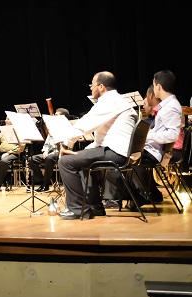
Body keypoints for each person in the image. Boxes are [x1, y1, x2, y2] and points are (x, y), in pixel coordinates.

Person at [57, 71, 138, 220]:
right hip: (119, 151)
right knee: (80, 160)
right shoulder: (119, 100)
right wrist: (82, 152)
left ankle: (77, 209)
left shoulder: (109, 101)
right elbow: (104, 137)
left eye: (92, 85)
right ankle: (95, 207)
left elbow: (84, 125)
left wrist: (66, 145)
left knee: (65, 162)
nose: (90, 89)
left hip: (116, 152)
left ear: (101, 87)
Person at [127, 70, 182, 209]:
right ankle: (142, 195)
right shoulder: (167, 105)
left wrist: (146, 136)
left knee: (122, 156)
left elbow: (172, 135)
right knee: (125, 154)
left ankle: (140, 196)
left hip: (157, 153)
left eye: (153, 84)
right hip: (154, 149)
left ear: (158, 86)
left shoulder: (171, 106)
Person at [29, 108, 70, 193]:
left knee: (49, 159)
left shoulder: (68, 128)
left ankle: (46, 184)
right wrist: (45, 151)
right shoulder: (53, 128)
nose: (54, 116)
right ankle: (40, 181)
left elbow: (68, 145)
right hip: (50, 152)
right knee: (31, 159)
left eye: (56, 115)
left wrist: (56, 151)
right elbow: (47, 143)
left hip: (61, 152)